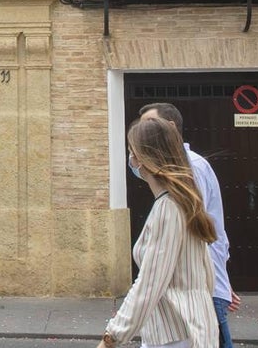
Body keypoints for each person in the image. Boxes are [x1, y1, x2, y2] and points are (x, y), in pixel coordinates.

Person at [99, 116, 217, 348]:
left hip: (173, 333)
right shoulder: (185, 202)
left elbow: (149, 284)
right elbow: (206, 273)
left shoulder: (168, 208)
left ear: (143, 158)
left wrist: (111, 338)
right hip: (191, 327)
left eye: (132, 152)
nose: (130, 160)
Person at [139, 102, 240, 348]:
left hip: (201, 291)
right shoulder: (174, 170)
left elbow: (195, 232)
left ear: (171, 128)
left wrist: (217, 282)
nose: (142, 134)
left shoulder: (190, 169)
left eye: (148, 127)